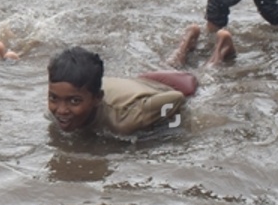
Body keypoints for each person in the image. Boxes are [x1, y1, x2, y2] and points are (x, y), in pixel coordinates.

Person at [46, 46, 195, 138]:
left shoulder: (123, 121)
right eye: (53, 98)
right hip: (129, 85)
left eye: (74, 101)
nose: (61, 110)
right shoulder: (56, 109)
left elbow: (177, 97)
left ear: (97, 98)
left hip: (161, 86)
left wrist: (171, 129)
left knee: (204, 69)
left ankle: (191, 45)